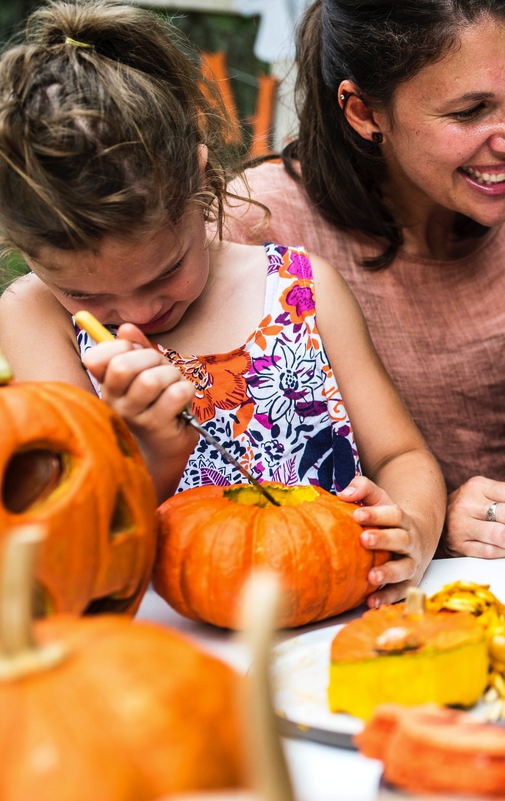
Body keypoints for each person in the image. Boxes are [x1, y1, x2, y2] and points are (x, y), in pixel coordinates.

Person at [0, 1, 445, 607]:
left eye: (167, 269)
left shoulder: (300, 290)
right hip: (162, 649)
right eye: (85, 294)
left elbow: (401, 455)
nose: (134, 314)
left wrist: (413, 528)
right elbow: (78, 543)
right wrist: (149, 448)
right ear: (26, 254)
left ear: (201, 184)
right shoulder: (34, 320)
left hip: (336, 618)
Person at [224, 0, 505, 560]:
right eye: (471, 110)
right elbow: (231, 499)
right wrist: (428, 522)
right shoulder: (258, 228)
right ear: (365, 111)